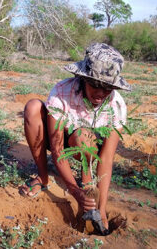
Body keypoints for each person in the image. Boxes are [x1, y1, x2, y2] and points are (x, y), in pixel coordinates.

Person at [20, 43, 132, 234]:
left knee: (84, 137)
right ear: (82, 79)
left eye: (107, 87)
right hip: (60, 139)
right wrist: (74, 192)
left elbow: (106, 158)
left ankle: (87, 183)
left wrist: (102, 209)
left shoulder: (116, 106)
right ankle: (43, 177)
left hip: (88, 146)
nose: (100, 93)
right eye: (95, 84)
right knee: (32, 107)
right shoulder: (62, 92)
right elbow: (57, 149)